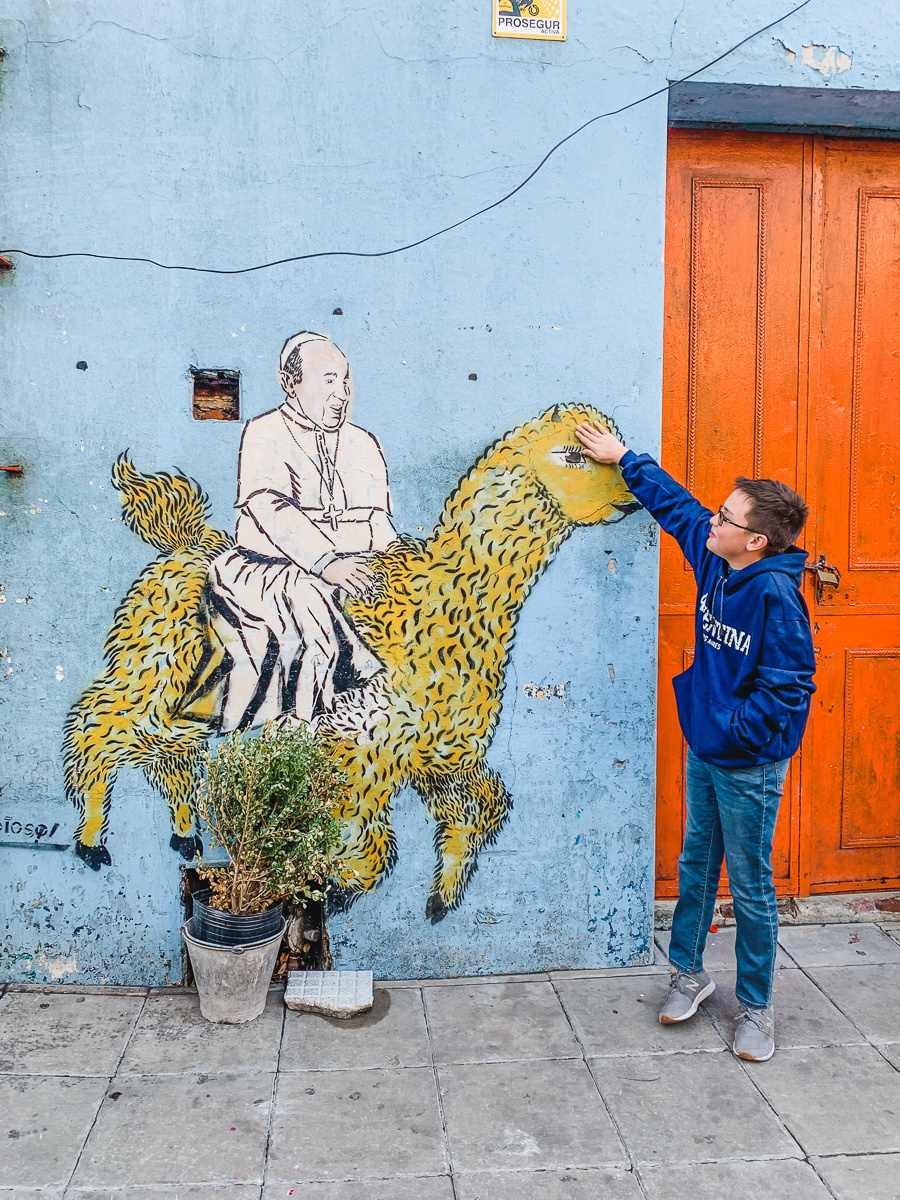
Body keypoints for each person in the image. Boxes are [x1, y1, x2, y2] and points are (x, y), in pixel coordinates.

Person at [575, 419, 816, 1063]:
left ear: (756, 540)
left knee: (753, 884)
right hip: (706, 747)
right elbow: (678, 508)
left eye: (728, 516)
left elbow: (791, 688)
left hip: (748, 764)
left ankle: (757, 1009)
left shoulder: (775, 597)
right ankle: (689, 974)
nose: (715, 518)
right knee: (694, 867)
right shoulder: (719, 560)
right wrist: (624, 458)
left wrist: (736, 735)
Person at [208, 331, 398, 732]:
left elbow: (380, 524)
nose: (342, 393)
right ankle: (305, 726)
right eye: (329, 380)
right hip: (270, 569)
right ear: (291, 383)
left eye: (345, 381)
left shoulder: (364, 443)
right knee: (309, 604)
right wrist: (327, 562)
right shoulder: (265, 433)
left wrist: (400, 567)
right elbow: (271, 511)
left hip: (352, 566)